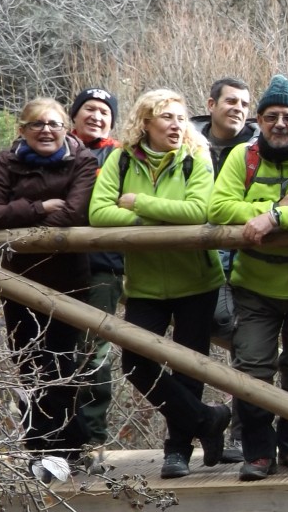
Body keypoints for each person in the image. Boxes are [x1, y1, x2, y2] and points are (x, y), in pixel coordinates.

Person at [88, 89, 232, 479]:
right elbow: (98, 213)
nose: (176, 125)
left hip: (197, 281)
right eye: (167, 117)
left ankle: (177, 452)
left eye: (181, 118)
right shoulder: (121, 159)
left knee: (189, 368)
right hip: (145, 283)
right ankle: (207, 420)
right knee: (136, 364)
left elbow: (198, 211)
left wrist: (138, 203)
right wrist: (152, 223)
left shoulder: (196, 156)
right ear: (146, 122)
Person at [207, 75, 288, 481]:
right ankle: (259, 452)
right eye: (270, 117)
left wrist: (277, 218)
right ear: (259, 121)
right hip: (254, 286)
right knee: (252, 367)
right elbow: (218, 208)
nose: (279, 124)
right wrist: (273, 206)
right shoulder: (242, 157)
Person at [0, 99, 97, 469]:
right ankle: (41, 451)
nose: (46, 130)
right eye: (36, 124)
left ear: (66, 128)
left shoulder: (82, 160)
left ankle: (65, 451)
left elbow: (75, 212)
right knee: (28, 366)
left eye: (53, 124)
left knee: (61, 364)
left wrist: (20, 225)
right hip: (17, 280)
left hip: (68, 280)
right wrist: (41, 208)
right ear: (22, 130)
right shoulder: (8, 161)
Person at [193, 75, 260, 464]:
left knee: (248, 349)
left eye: (244, 104)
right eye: (231, 101)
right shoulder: (188, 143)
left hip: (249, 261)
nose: (238, 109)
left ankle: (241, 436)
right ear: (211, 104)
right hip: (196, 262)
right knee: (195, 347)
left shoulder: (258, 148)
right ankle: (199, 424)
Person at [67, 87, 122, 456]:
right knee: (52, 351)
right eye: (89, 109)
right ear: (74, 114)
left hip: (103, 265)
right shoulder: (54, 146)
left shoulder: (120, 155)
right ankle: (54, 440)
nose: (96, 116)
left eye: (104, 112)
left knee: (93, 352)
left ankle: (92, 439)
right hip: (51, 265)